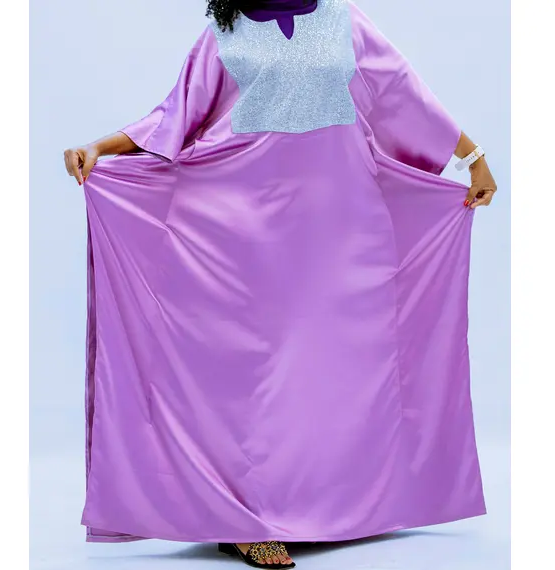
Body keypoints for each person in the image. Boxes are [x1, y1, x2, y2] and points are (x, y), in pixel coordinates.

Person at [63, 1, 496, 568]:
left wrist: (473, 156)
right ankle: (244, 519)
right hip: (240, 224)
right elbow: (173, 116)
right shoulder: (224, 31)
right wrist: (100, 148)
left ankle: (321, 506)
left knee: (329, 367)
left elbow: (402, 94)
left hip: (339, 223)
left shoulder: (344, 19)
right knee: (249, 372)